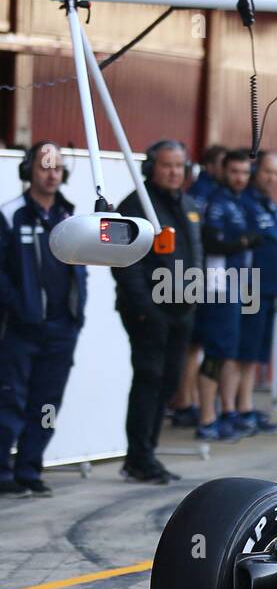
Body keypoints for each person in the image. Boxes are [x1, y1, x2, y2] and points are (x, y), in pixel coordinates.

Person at [111, 140, 205, 483]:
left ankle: (147, 451)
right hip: (150, 311)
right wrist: (143, 308)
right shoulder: (135, 205)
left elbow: (197, 253)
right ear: (151, 168)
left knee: (168, 382)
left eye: (179, 166)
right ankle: (139, 457)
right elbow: (124, 262)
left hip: (183, 310)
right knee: (149, 380)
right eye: (167, 165)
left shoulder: (190, 205)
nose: (174, 172)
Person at [0, 142, 88, 499]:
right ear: (29, 171)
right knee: (10, 402)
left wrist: (76, 315)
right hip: (20, 330)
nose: (51, 174)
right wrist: (20, 307)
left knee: (47, 404)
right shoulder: (10, 214)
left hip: (62, 330)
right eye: (44, 166)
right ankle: (3, 470)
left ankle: (30, 468)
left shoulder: (71, 218)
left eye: (57, 167)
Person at [195, 149, 260, 441]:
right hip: (218, 285)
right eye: (234, 171)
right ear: (223, 171)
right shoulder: (216, 200)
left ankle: (227, 412)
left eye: (245, 173)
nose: (239, 178)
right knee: (216, 351)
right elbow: (212, 241)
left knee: (229, 352)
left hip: (240, 283)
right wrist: (244, 241)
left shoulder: (239, 202)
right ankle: (206, 418)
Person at [169, 143, 226, 429]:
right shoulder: (202, 195)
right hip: (201, 281)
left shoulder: (206, 194)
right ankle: (186, 401)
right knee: (195, 346)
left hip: (204, 280)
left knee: (195, 347)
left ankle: (187, 400)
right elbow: (204, 239)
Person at [235, 150, 277, 435]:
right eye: (267, 171)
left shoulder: (271, 206)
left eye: (276, 173)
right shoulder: (245, 203)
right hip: (251, 287)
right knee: (243, 352)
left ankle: (245, 406)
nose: (272, 178)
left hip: (271, 289)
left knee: (255, 354)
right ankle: (235, 409)